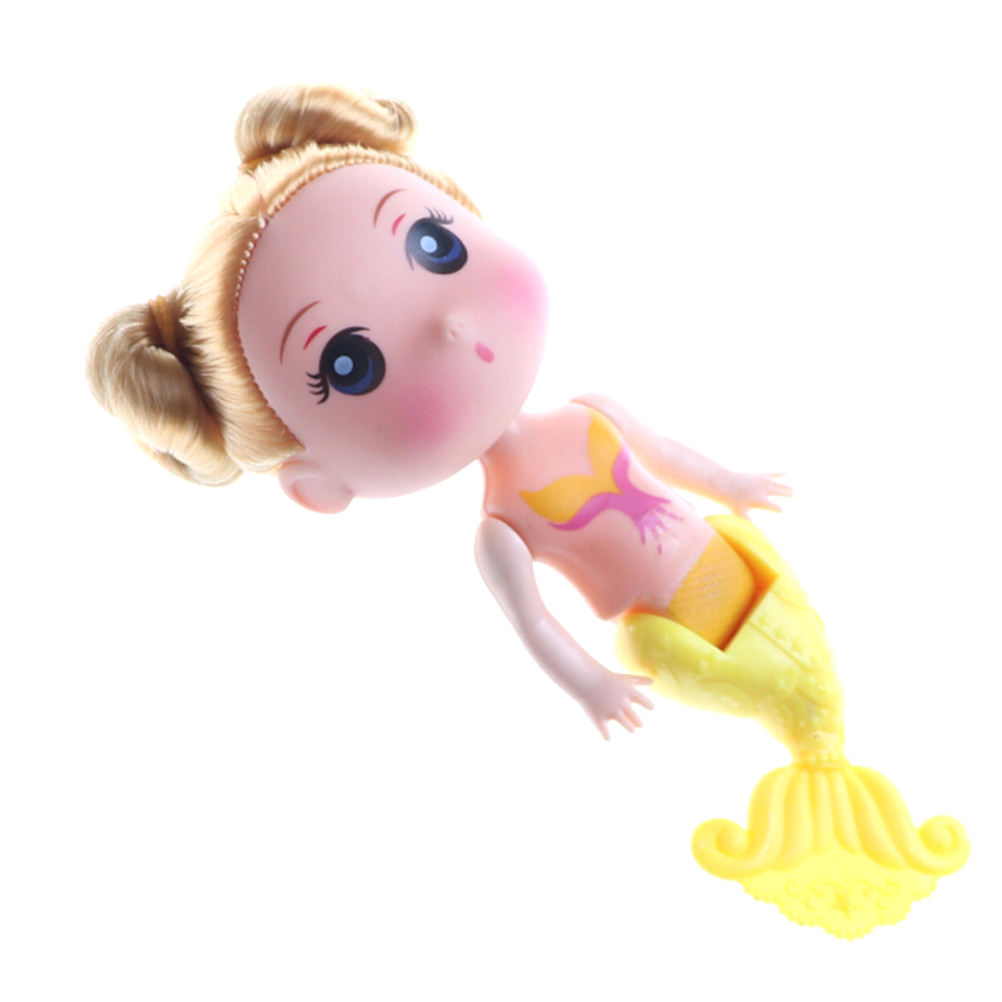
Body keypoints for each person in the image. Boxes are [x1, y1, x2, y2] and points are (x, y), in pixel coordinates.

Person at [87, 83, 968, 939]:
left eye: (434, 244)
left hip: (740, 567)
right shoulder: (501, 530)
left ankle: (824, 759)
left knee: (799, 668)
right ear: (319, 484)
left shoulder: (595, 412)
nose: (447, 326)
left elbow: (669, 456)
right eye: (351, 363)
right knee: (651, 645)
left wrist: (731, 484)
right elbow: (536, 623)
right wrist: (592, 683)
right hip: (671, 633)